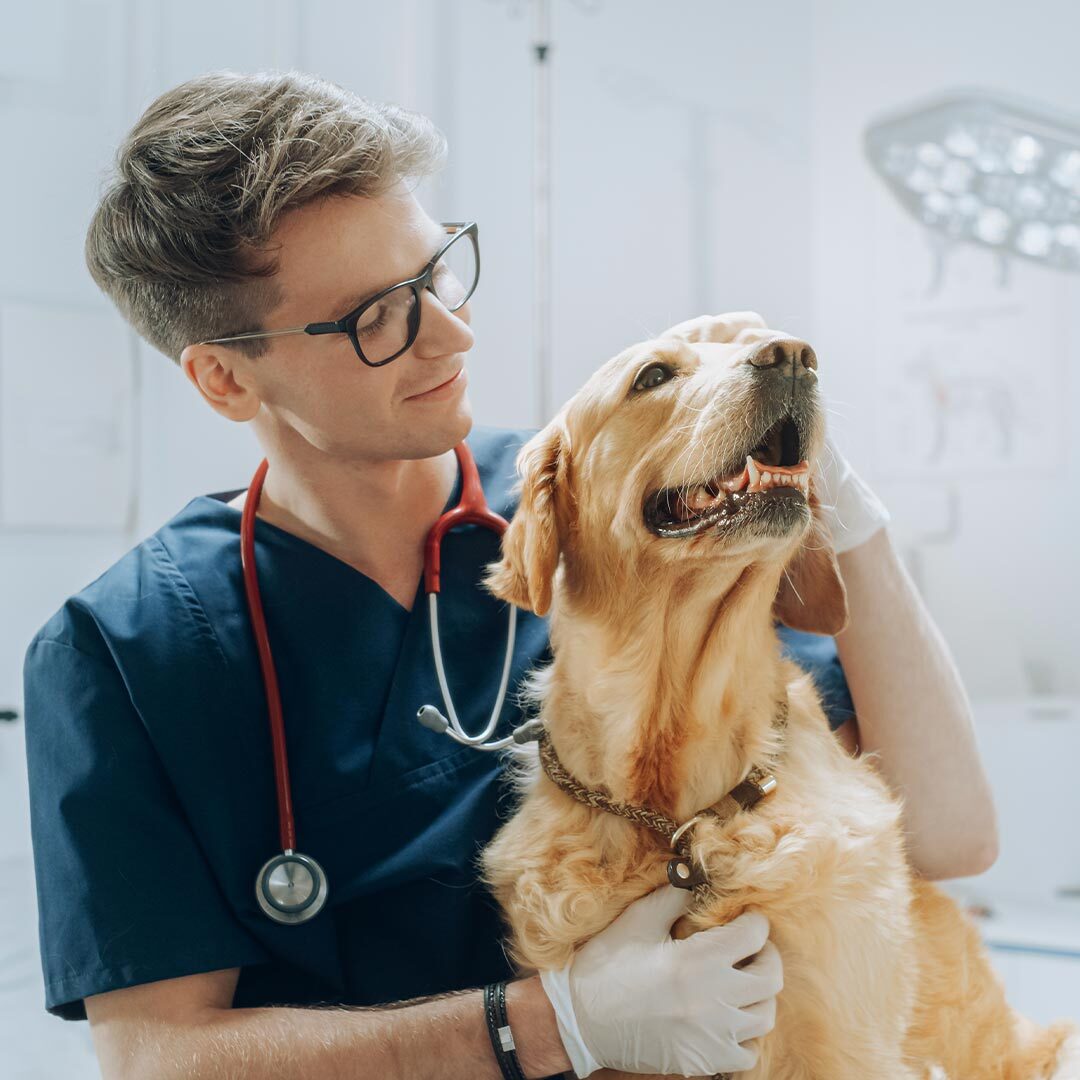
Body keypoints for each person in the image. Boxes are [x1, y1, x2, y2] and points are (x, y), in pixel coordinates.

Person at [21, 70, 999, 1080]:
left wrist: (844, 511)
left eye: (437, 271)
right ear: (226, 377)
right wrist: (547, 1023)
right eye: (373, 319)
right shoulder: (125, 653)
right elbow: (158, 1057)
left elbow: (949, 833)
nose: (451, 333)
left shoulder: (602, 508)